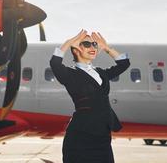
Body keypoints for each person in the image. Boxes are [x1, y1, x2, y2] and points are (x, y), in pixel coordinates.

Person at [49, 30, 130, 163]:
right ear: (75, 50)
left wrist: (106, 47)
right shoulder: (70, 74)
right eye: (86, 44)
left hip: (103, 136)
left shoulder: (101, 73)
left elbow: (124, 63)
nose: (92, 47)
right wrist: (69, 42)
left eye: (94, 44)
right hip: (81, 136)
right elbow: (55, 63)